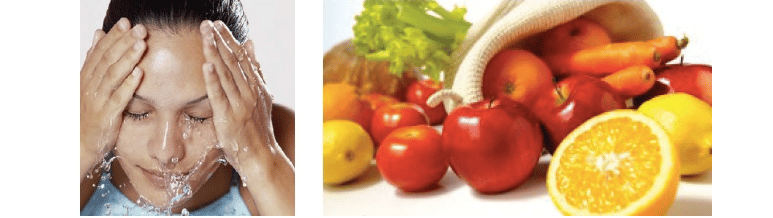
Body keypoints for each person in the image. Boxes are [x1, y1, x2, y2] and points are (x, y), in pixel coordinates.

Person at [79, 0, 294, 215]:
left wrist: (259, 159)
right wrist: (82, 146)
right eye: (137, 113)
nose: (165, 153)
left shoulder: (287, 144)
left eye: (198, 116)